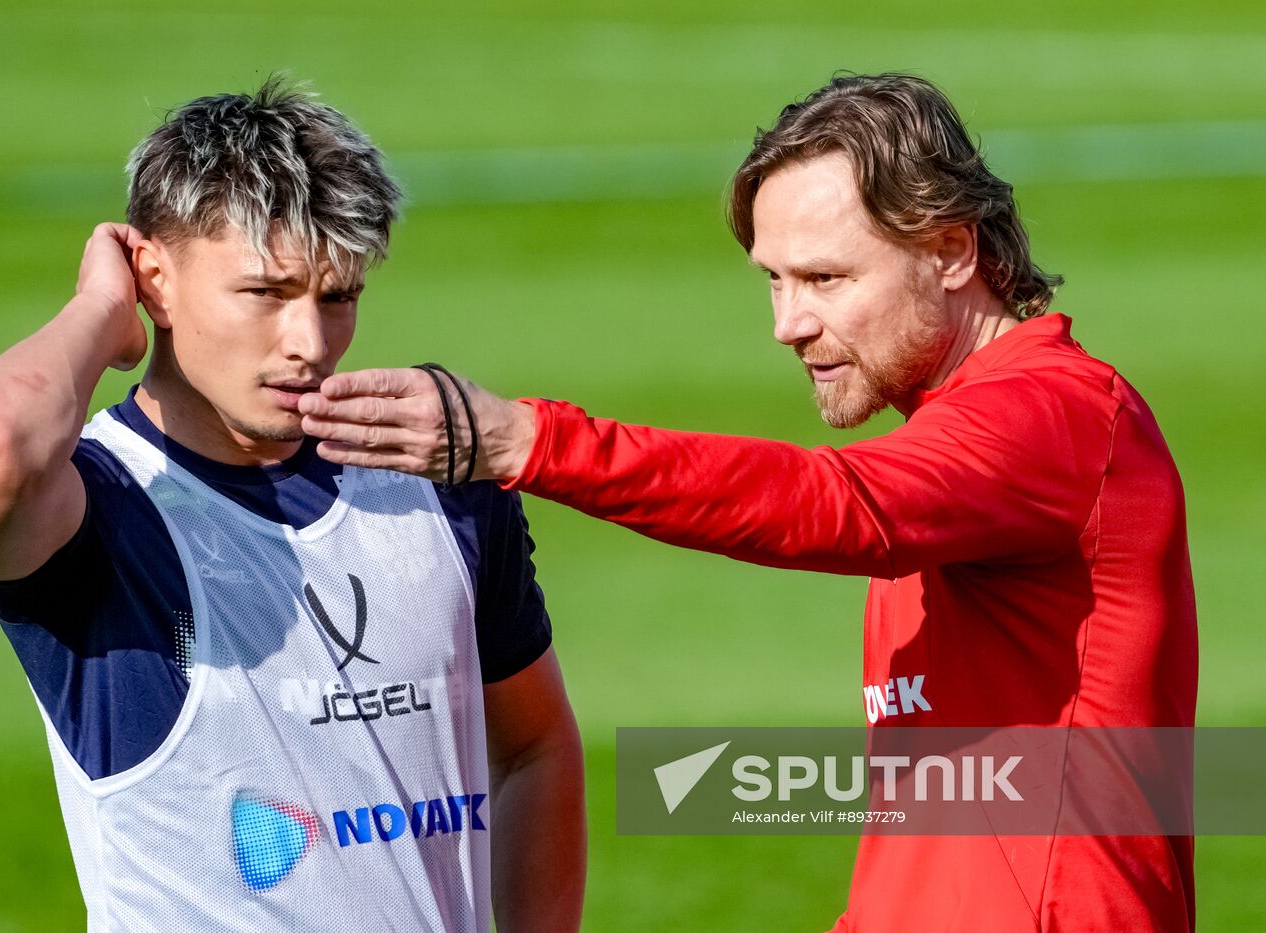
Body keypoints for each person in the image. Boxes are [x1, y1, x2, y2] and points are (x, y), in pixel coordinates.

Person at [295, 74, 1198, 931]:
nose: (788, 324)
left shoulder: (1056, 416)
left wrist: (529, 442)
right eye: (775, 278)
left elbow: (836, 504)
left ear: (952, 250)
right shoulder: (961, 453)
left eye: (825, 279)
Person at [0, 78, 585, 933]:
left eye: (337, 296)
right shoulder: (103, 510)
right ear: (152, 279)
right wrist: (97, 313)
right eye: (266, 293)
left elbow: (533, 745)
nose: (310, 343)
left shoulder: (436, 480)